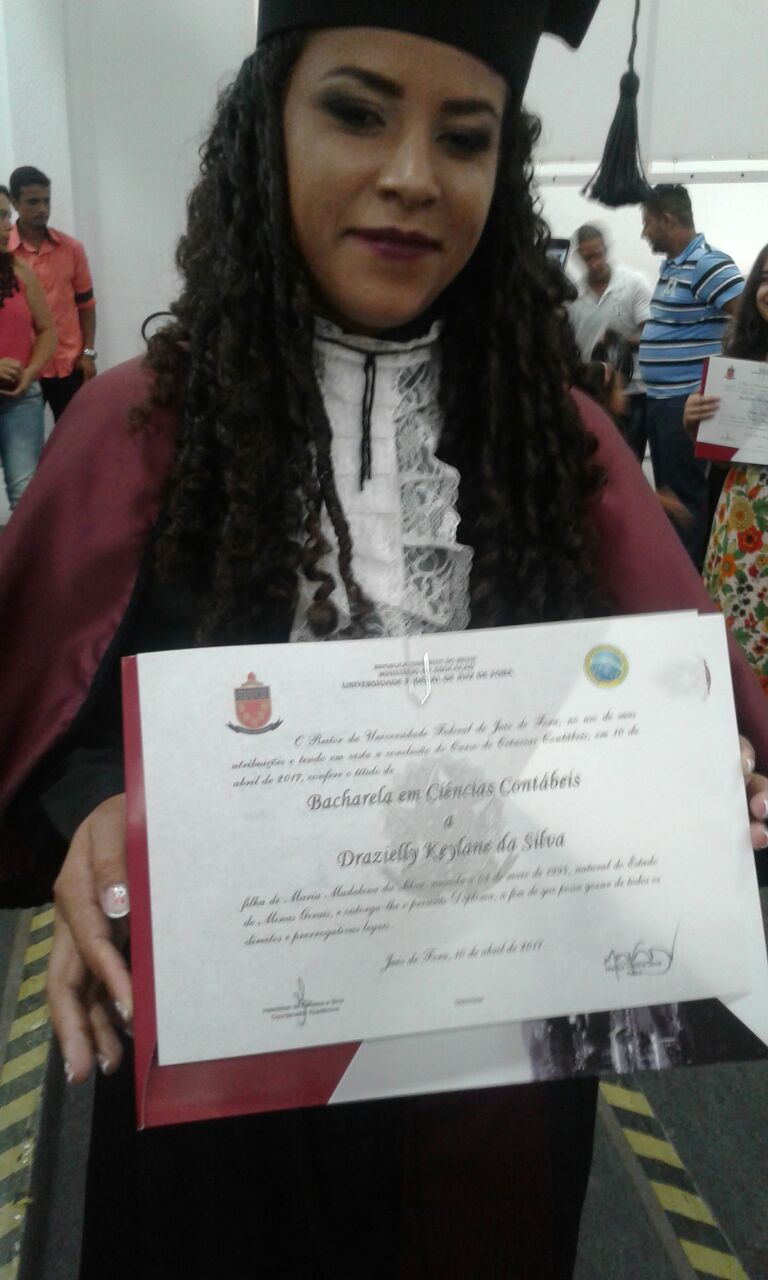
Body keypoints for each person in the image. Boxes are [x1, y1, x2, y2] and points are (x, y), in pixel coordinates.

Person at [1, 7, 767, 1278]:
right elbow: (48, 721)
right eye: (356, 112)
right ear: (270, 129)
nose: (413, 175)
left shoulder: (560, 445)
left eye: (463, 138)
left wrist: (702, 780)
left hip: (501, 1072)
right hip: (225, 1075)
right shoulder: (145, 428)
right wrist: (97, 811)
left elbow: (674, 724)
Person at [639, 184, 744, 568]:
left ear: (667, 220)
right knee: (670, 491)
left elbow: (749, 318)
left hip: (684, 401)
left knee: (684, 494)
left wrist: (731, 381)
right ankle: (680, 569)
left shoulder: (707, 264)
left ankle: (690, 579)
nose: (644, 233)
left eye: (648, 223)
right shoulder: (673, 265)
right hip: (661, 399)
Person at [686, 243, 768, 693]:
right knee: (740, 624)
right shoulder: (743, 357)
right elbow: (720, 454)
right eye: (766, 278)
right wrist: (695, 423)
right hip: (744, 520)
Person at [8, 166, 97, 420]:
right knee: (24, 443)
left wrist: (88, 354)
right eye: (33, 202)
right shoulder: (5, 255)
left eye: (46, 201)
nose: (42, 209)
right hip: (23, 369)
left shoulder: (71, 249)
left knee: (76, 437)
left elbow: (87, 305)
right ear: (15, 202)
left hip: (69, 364)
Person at [568, 223, 651, 461]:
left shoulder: (633, 283)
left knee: (630, 462)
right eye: (588, 258)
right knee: (597, 464)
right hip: (593, 394)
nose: (594, 263)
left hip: (632, 393)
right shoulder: (572, 296)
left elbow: (652, 336)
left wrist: (620, 341)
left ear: (606, 248)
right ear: (578, 257)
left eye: (598, 254)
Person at [0, 185, 56, 510]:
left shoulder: (20, 271)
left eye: (7, 215)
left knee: (26, 497)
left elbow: (47, 331)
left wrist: (30, 371)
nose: (8, 225)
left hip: (21, 400)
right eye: (0, 217)